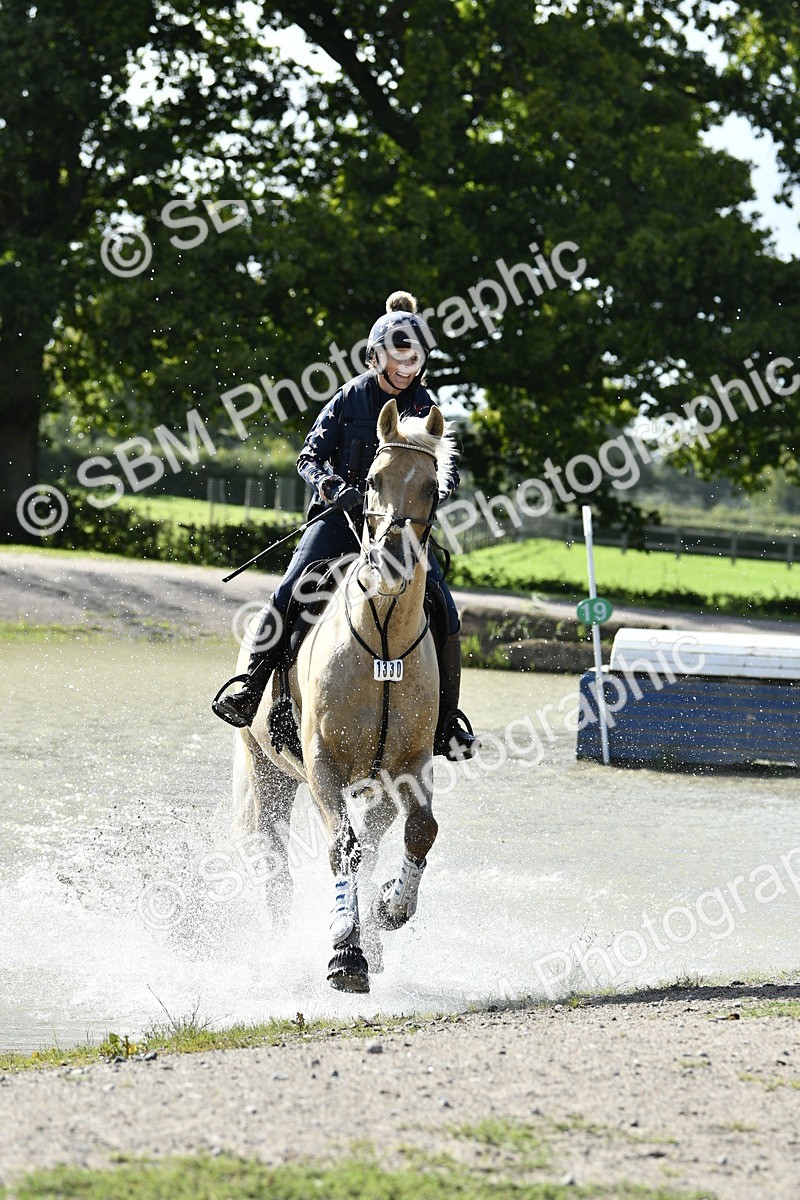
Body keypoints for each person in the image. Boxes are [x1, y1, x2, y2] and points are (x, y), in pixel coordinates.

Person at [211, 290, 478, 760]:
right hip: (339, 519)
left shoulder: (425, 405)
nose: (405, 367)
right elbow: (309, 456)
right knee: (291, 588)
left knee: (445, 610)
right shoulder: (352, 396)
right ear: (378, 356)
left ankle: (446, 723)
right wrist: (336, 489)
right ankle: (250, 689)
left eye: (413, 359)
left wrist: (439, 485)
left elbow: (445, 465)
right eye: (397, 358)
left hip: (398, 527)